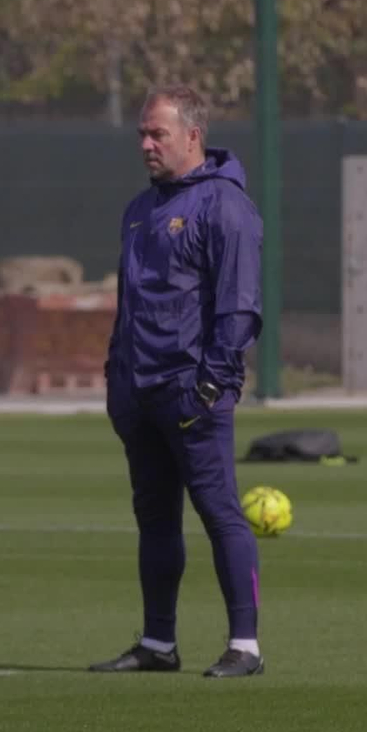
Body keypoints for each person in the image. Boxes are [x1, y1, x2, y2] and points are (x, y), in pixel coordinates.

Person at [90, 84, 266, 678]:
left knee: (220, 513)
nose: (145, 144)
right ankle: (158, 643)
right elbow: (129, 302)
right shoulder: (139, 210)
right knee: (155, 520)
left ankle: (245, 645)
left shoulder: (225, 206)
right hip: (139, 393)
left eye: (156, 133)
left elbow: (239, 310)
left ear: (193, 136)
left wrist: (211, 388)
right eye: (141, 133)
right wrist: (118, 379)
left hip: (192, 393)